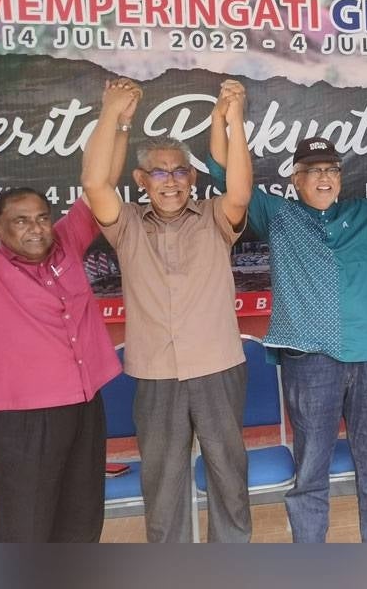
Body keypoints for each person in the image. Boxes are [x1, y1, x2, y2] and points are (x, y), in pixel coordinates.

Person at [206, 91, 367, 543]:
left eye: (332, 169)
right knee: (310, 469)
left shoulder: (366, 213)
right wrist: (224, 118)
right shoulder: (276, 213)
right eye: (314, 170)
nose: (325, 177)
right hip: (309, 360)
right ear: (296, 178)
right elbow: (223, 175)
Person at [81, 78, 253, 543]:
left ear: (192, 178)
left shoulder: (216, 218)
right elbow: (95, 182)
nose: (172, 181)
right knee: (162, 486)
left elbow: (239, 193)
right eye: (159, 173)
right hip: (156, 374)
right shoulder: (127, 226)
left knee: (228, 480)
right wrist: (114, 115)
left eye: (180, 172)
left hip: (218, 368)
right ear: (142, 181)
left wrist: (234, 120)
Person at [0, 81, 133, 541]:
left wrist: (118, 121)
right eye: (21, 221)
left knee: (81, 520)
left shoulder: (66, 244)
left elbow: (98, 181)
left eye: (42, 217)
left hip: (84, 406)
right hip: (24, 418)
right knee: (27, 526)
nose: (36, 228)